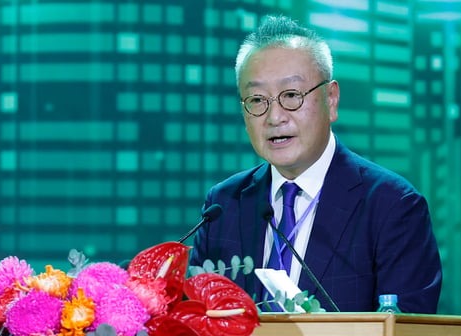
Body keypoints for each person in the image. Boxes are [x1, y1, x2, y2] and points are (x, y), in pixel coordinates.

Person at [189, 15, 442, 313]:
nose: (275, 117)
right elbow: (194, 324)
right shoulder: (223, 205)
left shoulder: (392, 207)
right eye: (257, 100)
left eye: (292, 96)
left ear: (331, 100)